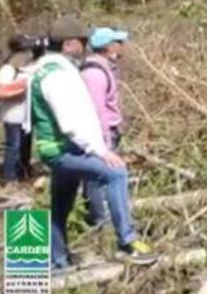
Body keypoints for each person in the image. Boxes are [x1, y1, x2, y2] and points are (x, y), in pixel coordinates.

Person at [27, 16, 156, 268]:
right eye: (82, 42)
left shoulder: (53, 69)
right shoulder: (56, 76)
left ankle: (58, 261)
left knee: (60, 206)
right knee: (116, 172)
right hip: (62, 149)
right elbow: (70, 121)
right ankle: (127, 242)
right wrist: (99, 151)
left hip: (60, 147)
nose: (86, 46)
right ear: (68, 44)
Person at [79, 27, 129, 228]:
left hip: (109, 131)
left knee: (101, 176)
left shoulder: (103, 68)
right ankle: (100, 219)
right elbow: (96, 111)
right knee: (98, 177)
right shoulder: (94, 74)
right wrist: (104, 142)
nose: (121, 46)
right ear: (108, 47)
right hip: (101, 134)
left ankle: (101, 215)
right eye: (117, 42)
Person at [0, 36, 36, 185]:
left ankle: (24, 172)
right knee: (14, 146)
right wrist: (21, 88)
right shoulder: (7, 70)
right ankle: (9, 177)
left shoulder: (29, 68)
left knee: (26, 146)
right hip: (12, 115)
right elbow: (0, 92)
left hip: (27, 116)